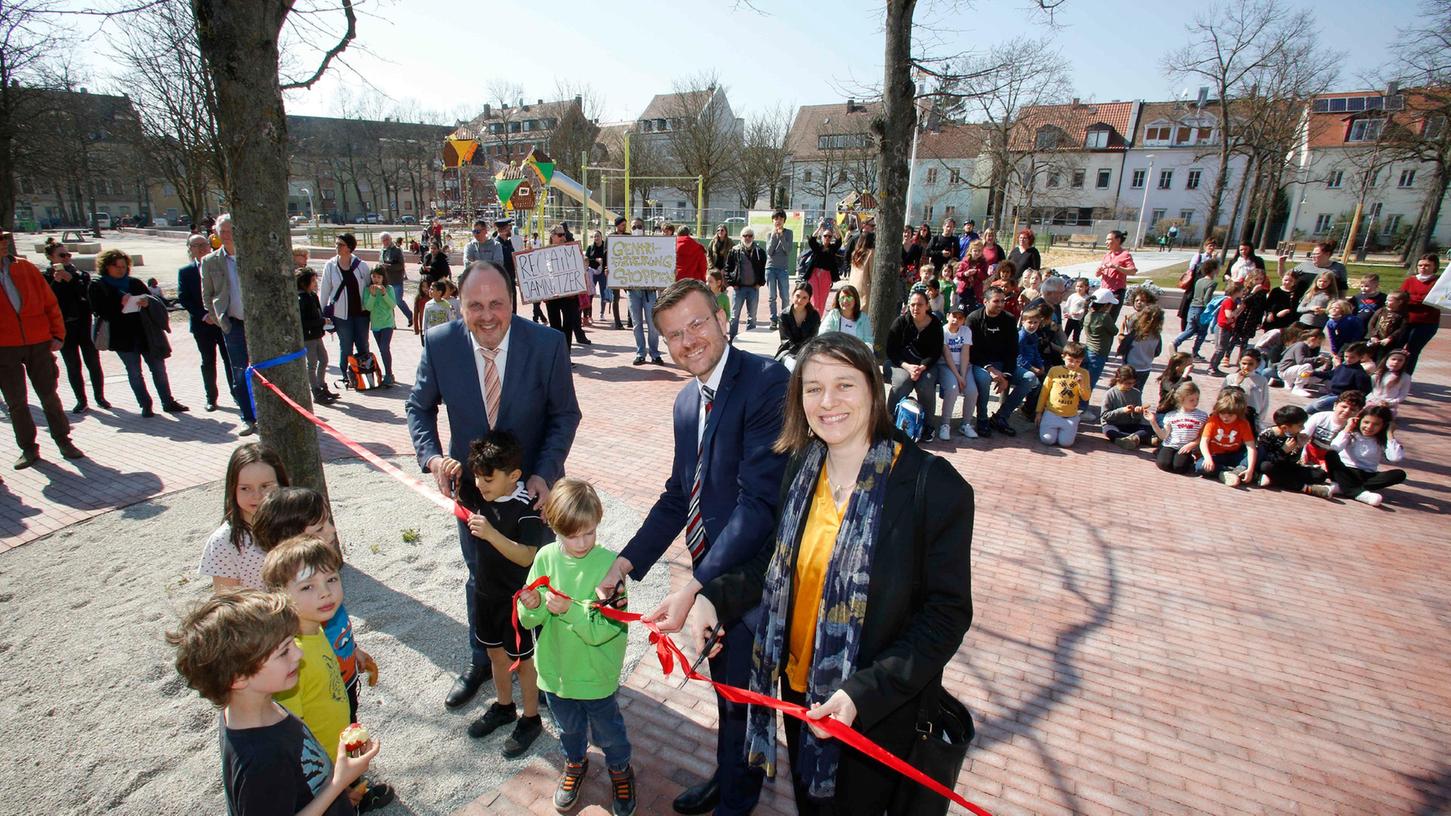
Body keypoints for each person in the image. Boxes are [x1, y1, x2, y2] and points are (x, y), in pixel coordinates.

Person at [681, 331, 974, 815]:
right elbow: (774, 563)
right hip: (801, 695)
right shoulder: (802, 465)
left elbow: (946, 616)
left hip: (876, 713)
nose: (828, 401)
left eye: (845, 385)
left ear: (873, 392)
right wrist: (713, 598)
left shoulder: (933, 487)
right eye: (812, 388)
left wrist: (862, 693)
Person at [596, 279, 789, 816]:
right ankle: (728, 776)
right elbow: (680, 494)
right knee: (726, 689)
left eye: (697, 324)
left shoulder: (766, 380)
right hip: (712, 572)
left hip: (753, 575)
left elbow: (759, 505)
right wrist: (625, 561)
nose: (689, 341)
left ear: (723, 318)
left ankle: (739, 798)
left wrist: (697, 584)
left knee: (747, 695)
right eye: (674, 335)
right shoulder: (687, 400)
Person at [406, 261, 581, 711]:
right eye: (475, 305)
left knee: (534, 577)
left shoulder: (547, 344)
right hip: (474, 494)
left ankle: (537, 667)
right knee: (481, 577)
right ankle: (482, 659)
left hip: (532, 492)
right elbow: (418, 408)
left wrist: (544, 473)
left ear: (513, 301)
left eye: (497, 304)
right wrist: (430, 459)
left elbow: (565, 415)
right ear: (458, 306)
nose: (487, 315)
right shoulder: (441, 343)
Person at [165, 590, 378, 816]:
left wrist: (336, 794)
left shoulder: (262, 704)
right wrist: (336, 785)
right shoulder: (260, 760)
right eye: (284, 651)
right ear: (238, 678)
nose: (298, 654)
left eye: (293, 643)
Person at [517, 479, 637, 816]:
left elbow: (609, 628)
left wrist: (568, 609)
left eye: (590, 532)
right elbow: (530, 620)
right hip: (557, 673)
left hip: (596, 675)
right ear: (553, 525)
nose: (582, 542)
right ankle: (574, 763)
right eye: (573, 535)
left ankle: (620, 769)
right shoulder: (545, 558)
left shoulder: (609, 565)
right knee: (569, 729)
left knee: (609, 732)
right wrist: (529, 603)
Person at [263, 536, 396, 812]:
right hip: (319, 771)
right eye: (308, 586)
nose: (325, 593)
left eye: (332, 580)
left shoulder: (317, 628)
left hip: (336, 755)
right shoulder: (290, 658)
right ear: (280, 595)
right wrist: (332, 785)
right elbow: (291, 736)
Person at [250, 486, 376, 724]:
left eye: (328, 521)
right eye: (319, 528)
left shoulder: (321, 590)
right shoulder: (293, 635)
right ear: (291, 542)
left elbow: (338, 631)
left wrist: (353, 650)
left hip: (344, 681)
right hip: (322, 696)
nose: (332, 530)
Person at [459, 431, 549, 756]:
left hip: (516, 603)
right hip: (486, 595)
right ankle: (503, 706)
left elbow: (527, 555)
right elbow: (459, 491)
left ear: (514, 476)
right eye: (478, 477)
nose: (481, 485)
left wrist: (492, 534)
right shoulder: (482, 496)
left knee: (523, 661)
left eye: (488, 478)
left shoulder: (527, 507)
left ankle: (531, 717)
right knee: (496, 655)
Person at [1, 229, 83, 468]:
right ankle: (28, 448)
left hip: (38, 342)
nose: (4, 243)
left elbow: (49, 303)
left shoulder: (25, 268)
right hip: (5, 348)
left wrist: (58, 334)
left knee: (49, 395)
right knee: (16, 401)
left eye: (4, 238)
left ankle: (63, 440)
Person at [88, 248, 188, 420]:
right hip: (122, 338)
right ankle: (145, 404)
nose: (121, 269)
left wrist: (147, 303)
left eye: (124, 266)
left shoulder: (134, 283)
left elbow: (154, 302)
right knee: (134, 372)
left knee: (159, 369)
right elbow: (99, 311)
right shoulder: (98, 285)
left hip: (146, 334)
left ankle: (168, 401)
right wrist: (119, 303)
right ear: (106, 267)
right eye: (117, 266)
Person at [199, 443, 289, 591]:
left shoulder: (298, 522)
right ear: (232, 489)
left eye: (265, 486)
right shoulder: (224, 542)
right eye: (245, 488)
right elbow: (228, 601)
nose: (257, 496)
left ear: (281, 484)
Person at [200, 214, 254, 434]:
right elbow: (207, 294)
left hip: (257, 324)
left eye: (231, 230)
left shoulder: (252, 257)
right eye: (222, 231)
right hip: (232, 324)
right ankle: (247, 417)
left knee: (266, 368)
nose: (227, 235)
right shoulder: (210, 261)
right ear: (216, 234)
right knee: (239, 371)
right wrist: (217, 317)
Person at [42, 241, 107, 414]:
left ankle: (100, 397)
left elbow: (87, 295)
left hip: (83, 324)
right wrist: (55, 282)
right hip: (63, 328)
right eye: (61, 255)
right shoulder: (46, 277)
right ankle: (81, 400)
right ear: (50, 257)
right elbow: (45, 301)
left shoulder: (80, 274)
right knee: (72, 365)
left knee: (93, 362)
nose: (66, 258)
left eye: (68, 255)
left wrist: (71, 280)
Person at [967, 286, 1033, 437]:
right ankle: (982, 419)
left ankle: (1001, 417)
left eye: (1003, 301)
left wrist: (1006, 376)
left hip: (1003, 364)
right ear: (985, 301)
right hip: (981, 364)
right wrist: (991, 369)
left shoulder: (1009, 319)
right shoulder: (974, 319)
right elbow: (972, 351)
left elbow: (1012, 350)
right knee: (983, 379)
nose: (1000, 305)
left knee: (1029, 378)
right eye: (996, 301)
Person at [177, 233, 230, 413]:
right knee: (208, 361)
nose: (201, 248)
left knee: (231, 360)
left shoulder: (220, 265)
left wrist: (218, 314)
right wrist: (204, 315)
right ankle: (211, 398)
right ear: (190, 250)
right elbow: (184, 298)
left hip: (223, 322)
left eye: (204, 244)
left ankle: (238, 395)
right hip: (202, 324)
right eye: (196, 246)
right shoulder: (186, 272)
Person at [886, 290, 944, 443]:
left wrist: (922, 367)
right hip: (900, 363)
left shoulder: (935, 324)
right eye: (912, 305)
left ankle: (927, 425)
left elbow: (936, 352)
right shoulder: (900, 322)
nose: (915, 308)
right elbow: (891, 351)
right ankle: (889, 419)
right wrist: (908, 367)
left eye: (919, 304)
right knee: (902, 383)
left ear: (927, 306)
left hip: (925, 365)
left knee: (926, 384)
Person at [1326, 404, 1406, 507]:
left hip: (1367, 475)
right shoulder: (1351, 434)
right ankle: (1359, 494)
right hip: (1344, 471)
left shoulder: (1382, 440)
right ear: (1359, 420)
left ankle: (1342, 488)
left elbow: (1395, 457)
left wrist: (1390, 433)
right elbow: (1335, 447)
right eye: (1366, 422)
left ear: (1383, 426)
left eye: (1376, 424)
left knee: (1399, 474)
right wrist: (1348, 428)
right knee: (1330, 454)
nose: (1369, 427)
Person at [321, 234, 373, 383]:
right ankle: (346, 375)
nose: (337, 246)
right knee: (346, 346)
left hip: (361, 313)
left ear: (349, 247)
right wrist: (322, 312)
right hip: (341, 314)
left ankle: (365, 375)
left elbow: (369, 288)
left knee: (362, 344)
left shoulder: (361, 265)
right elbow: (325, 290)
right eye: (336, 244)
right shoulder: (330, 266)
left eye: (341, 244)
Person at [1255, 405, 1334, 498]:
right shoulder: (1267, 435)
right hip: (1271, 466)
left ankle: (1275, 480)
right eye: (1300, 425)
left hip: (1285, 468)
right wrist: (1283, 450)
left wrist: (1299, 447)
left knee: (1320, 475)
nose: (1303, 428)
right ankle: (1305, 488)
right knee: (1266, 466)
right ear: (1285, 427)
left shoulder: (1293, 435)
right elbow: (1262, 459)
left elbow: (1293, 461)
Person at [1196, 386, 1258, 486]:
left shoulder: (1243, 423)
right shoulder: (1214, 419)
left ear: (1238, 413)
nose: (1225, 418)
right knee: (1199, 466)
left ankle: (1242, 470)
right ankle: (1227, 472)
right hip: (1216, 455)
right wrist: (1208, 458)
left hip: (1234, 455)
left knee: (1257, 451)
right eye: (1222, 413)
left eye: (1230, 415)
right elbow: (1204, 441)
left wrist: (1250, 469)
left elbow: (1250, 448)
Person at [542, 225, 589, 353]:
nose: (563, 237)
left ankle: (566, 355)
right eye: (560, 235)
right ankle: (558, 356)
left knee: (568, 325)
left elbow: (582, 264)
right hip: (553, 296)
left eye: (564, 234)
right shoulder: (543, 253)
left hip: (569, 296)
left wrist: (584, 261)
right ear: (552, 236)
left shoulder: (571, 250)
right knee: (555, 327)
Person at [1035, 342, 1092, 447]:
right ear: (1063, 357)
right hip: (1052, 412)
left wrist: (1081, 384)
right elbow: (1044, 391)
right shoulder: (1054, 370)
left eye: (1078, 361)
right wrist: (1039, 412)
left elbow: (1086, 397)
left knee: (1066, 443)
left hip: (1070, 415)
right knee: (1048, 440)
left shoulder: (1084, 373)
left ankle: (1071, 426)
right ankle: (1047, 424)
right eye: (1070, 360)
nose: (1074, 364)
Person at [297, 269, 338, 405]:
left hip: (317, 334)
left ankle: (322, 385)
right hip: (309, 337)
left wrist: (324, 320)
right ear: (304, 282)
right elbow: (303, 322)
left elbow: (318, 314)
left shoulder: (312, 296)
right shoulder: (301, 299)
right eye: (313, 280)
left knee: (324, 360)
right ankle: (315, 391)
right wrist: (321, 321)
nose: (315, 283)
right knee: (312, 364)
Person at [938, 305, 979, 440]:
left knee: (972, 391)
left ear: (964, 320)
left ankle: (966, 424)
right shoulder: (942, 331)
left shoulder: (966, 331)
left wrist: (963, 375)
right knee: (953, 388)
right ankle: (945, 424)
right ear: (948, 316)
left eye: (960, 317)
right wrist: (958, 377)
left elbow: (965, 353)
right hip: (946, 365)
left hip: (964, 366)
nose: (956, 320)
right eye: (954, 316)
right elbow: (947, 355)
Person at [1147, 382, 1207, 474]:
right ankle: (1161, 450)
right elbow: (1163, 436)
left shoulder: (1202, 416)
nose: (1195, 402)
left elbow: (1204, 435)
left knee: (1179, 467)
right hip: (1170, 445)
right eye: (1191, 400)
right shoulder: (1171, 415)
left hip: (1186, 446)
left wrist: (1193, 444)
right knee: (1164, 464)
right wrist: (1153, 421)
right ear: (1181, 400)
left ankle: (1189, 459)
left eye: (1197, 399)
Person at [1399, 253, 1442, 375]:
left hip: (1427, 323)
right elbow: (1401, 298)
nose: (1423, 268)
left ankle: (1406, 376)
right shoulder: (1409, 281)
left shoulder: (1438, 282)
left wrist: (1412, 299)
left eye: (1427, 265)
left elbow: (1433, 300)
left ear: (1434, 266)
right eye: (1420, 265)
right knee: (1397, 348)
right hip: (1406, 321)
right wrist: (1420, 300)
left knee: (1412, 350)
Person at [1306, 342, 1374, 414]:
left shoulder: (1359, 373)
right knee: (1309, 409)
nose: (1348, 359)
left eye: (1352, 357)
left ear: (1360, 357)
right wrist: (1313, 373)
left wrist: (1351, 399)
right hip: (1332, 394)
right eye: (1346, 356)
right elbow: (1330, 374)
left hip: (1343, 398)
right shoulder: (1342, 367)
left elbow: (1364, 390)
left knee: (1319, 405)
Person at [725, 227, 767, 341]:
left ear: (753, 237)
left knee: (752, 317)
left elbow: (763, 269)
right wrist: (732, 283)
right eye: (745, 236)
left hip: (753, 289)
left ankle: (750, 339)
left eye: (750, 236)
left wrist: (760, 283)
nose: (747, 238)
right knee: (734, 316)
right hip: (739, 289)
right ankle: (733, 339)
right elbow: (728, 268)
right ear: (741, 237)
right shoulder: (734, 251)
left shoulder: (760, 252)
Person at [1102, 365, 1153, 449]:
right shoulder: (1110, 393)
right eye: (1128, 383)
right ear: (1119, 380)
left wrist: (1136, 412)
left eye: (1133, 383)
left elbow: (1137, 419)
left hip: (1130, 424)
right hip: (1113, 424)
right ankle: (1138, 439)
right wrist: (1122, 410)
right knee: (1110, 432)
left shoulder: (1136, 393)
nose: (1131, 386)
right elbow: (1105, 416)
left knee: (1149, 428)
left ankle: (1129, 439)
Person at [362, 269, 398, 386]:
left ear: (383, 278)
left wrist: (384, 294)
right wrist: (372, 295)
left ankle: (388, 374)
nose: (376, 279)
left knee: (384, 347)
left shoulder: (389, 289)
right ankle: (388, 374)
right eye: (374, 277)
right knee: (382, 350)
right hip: (376, 325)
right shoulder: (367, 290)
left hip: (387, 323)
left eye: (378, 277)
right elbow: (368, 307)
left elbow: (393, 304)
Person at [1223, 349, 1270, 431]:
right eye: (1244, 363)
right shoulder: (1231, 378)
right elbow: (1223, 396)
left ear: (1257, 364)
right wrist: (1237, 383)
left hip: (1251, 417)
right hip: (1232, 415)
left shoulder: (1261, 380)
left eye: (1250, 364)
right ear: (1239, 362)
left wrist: (1259, 420)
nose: (1246, 367)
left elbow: (1264, 401)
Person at [776, 282, 820, 369]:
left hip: (808, 352)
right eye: (797, 296)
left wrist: (804, 354)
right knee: (794, 367)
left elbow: (812, 339)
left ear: (809, 299)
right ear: (793, 295)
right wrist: (798, 357)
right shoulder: (784, 315)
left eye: (804, 298)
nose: (800, 300)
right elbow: (786, 341)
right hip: (788, 352)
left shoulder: (814, 316)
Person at [1177, 239, 1219, 330]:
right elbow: (1191, 268)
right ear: (1205, 246)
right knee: (1187, 305)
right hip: (1194, 285)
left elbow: (1217, 273)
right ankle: (1184, 328)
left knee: (1200, 307)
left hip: (1206, 286)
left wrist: (1214, 260)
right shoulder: (1199, 256)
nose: (1211, 248)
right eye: (1210, 246)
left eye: (1213, 246)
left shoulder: (1215, 259)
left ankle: (1195, 328)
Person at [1096, 230, 1136, 322]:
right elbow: (1098, 274)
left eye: (1109, 239)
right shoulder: (1107, 255)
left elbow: (1132, 271)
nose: (1106, 242)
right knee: (1098, 319)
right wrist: (1099, 271)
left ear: (1118, 240)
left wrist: (1116, 267)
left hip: (1116, 293)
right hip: (1103, 291)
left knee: (1109, 321)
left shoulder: (1125, 254)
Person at [765, 209, 794, 332]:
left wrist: (781, 236)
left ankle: (784, 318)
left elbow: (787, 250)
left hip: (783, 268)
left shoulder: (789, 233)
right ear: (773, 220)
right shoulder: (769, 234)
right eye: (776, 219)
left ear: (784, 221)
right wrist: (774, 236)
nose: (778, 221)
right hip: (770, 268)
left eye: (781, 219)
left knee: (785, 297)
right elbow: (769, 252)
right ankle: (773, 319)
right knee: (772, 296)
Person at [1280, 241, 1349, 293]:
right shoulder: (1304, 265)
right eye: (1313, 254)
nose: (1313, 256)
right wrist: (1281, 264)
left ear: (1327, 254)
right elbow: (1285, 277)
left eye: (1316, 254)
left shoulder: (1338, 268)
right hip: (1300, 300)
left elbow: (1343, 288)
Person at [819, 283, 874, 347]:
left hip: (857, 354)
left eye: (849, 297)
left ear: (855, 299)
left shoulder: (863, 318)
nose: (845, 301)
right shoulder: (833, 315)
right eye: (842, 298)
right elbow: (823, 336)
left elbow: (869, 341)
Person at [805, 224, 842, 313]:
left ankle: (818, 319)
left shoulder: (832, 248)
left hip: (826, 276)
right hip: (814, 274)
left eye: (829, 236)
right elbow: (812, 239)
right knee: (815, 298)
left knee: (822, 299)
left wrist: (835, 227)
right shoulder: (817, 247)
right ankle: (811, 316)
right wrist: (819, 228)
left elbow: (839, 240)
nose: (827, 238)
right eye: (825, 236)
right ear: (821, 237)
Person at [1365, 290, 1409, 364]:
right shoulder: (1381, 310)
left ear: (1399, 302)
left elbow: (1401, 329)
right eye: (1386, 300)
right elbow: (1371, 323)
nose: (1386, 302)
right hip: (1375, 340)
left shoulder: (1402, 315)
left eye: (1390, 300)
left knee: (1382, 360)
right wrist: (1373, 336)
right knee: (1369, 359)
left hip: (1388, 343)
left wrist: (1390, 338)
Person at [378, 232, 412, 325]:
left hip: (396, 280)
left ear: (390, 239)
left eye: (387, 239)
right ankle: (391, 323)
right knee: (388, 303)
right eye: (383, 240)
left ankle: (410, 316)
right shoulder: (382, 251)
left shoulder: (396, 250)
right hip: (386, 281)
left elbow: (401, 265)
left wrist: (388, 266)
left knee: (398, 301)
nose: (385, 242)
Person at [845, 218, 876, 314]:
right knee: (863, 315)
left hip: (853, 285)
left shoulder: (855, 253)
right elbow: (872, 274)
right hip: (865, 288)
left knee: (853, 312)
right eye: (873, 226)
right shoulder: (871, 253)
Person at [1368, 349, 1412, 414]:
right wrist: (1376, 401)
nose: (1396, 362)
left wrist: (1390, 402)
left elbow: (1403, 394)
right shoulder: (1377, 374)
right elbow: (1369, 390)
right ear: (1387, 360)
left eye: (1400, 360)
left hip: (1390, 405)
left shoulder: (1405, 377)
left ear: (1404, 363)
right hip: (1373, 402)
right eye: (1393, 359)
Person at [1064, 277, 1090, 342]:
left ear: (1086, 287)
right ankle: (1062, 346)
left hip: (1079, 320)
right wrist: (1066, 313)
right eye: (1077, 286)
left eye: (1081, 286)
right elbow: (1067, 306)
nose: (1078, 288)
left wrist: (1080, 312)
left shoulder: (1086, 298)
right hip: (1070, 318)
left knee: (1076, 336)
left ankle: (1075, 348)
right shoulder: (1072, 296)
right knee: (1066, 334)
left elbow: (1086, 308)